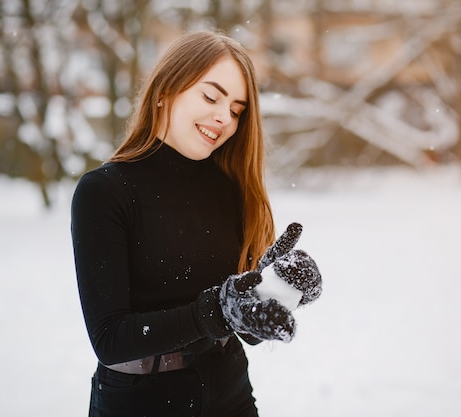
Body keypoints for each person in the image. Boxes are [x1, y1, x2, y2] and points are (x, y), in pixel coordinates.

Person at [71, 30, 321, 417]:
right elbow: (110, 338)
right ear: (164, 91)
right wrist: (217, 310)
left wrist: (275, 289)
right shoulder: (104, 192)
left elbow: (247, 330)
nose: (224, 117)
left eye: (237, 110)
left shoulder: (230, 188)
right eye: (210, 96)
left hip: (229, 389)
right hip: (139, 402)